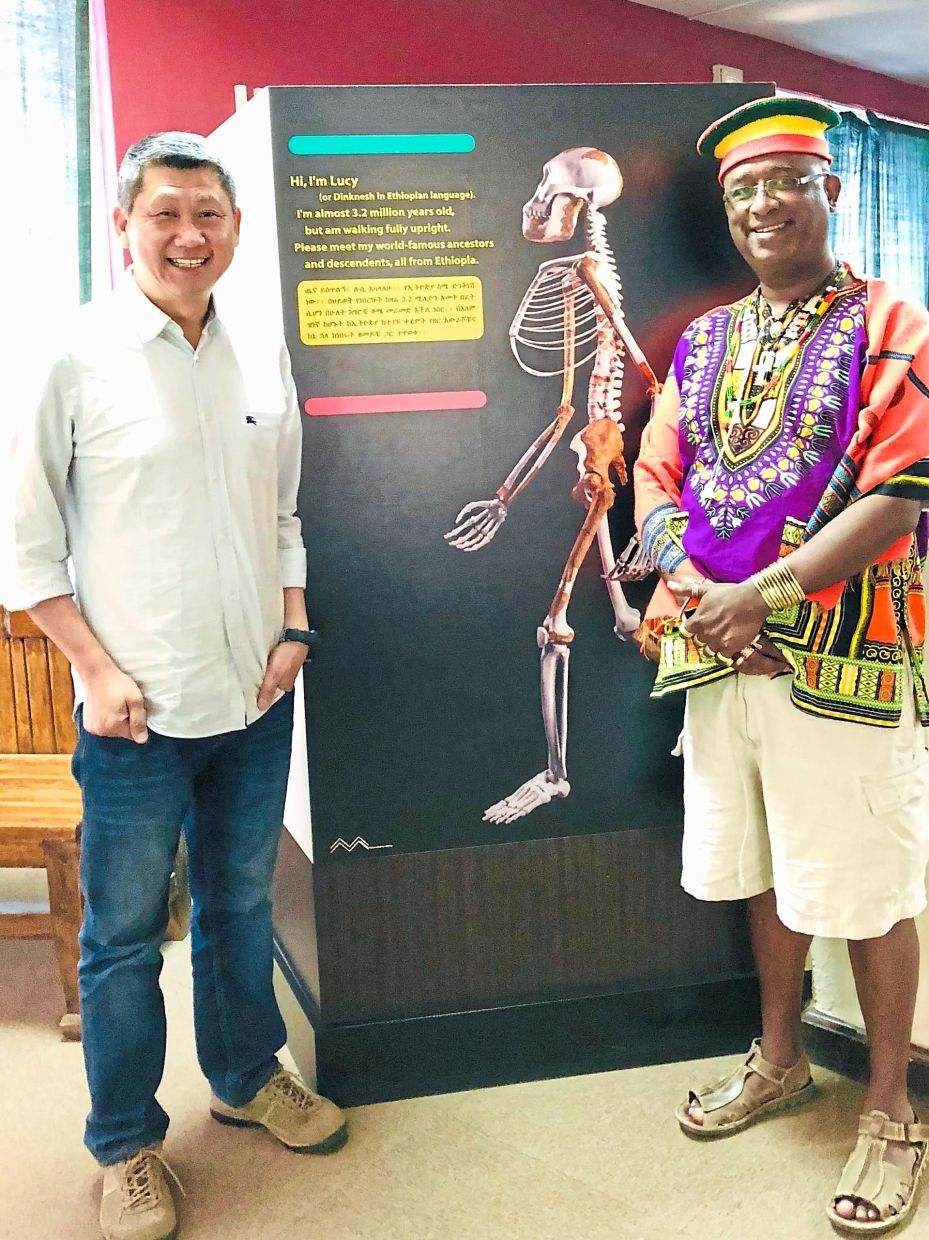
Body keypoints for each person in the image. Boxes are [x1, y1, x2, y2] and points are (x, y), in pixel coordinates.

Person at [5, 132, 347, 1240]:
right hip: (133, 710)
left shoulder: (260, 357)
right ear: (123, 226)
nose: (188, 235)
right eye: (164, 213)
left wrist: (293, 625)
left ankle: (247, 1076)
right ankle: (126, 1145)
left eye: (208, 214)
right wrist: (94, 670)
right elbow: (24, 548)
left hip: (253, 694)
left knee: (242, 906)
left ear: (236, 229)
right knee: (121, 939)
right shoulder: (72, 356)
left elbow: (285, 515)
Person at [633, 96, 929, 1235]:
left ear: (829, 193)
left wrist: (759, 595)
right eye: (740, 190)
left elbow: (898, 497)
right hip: (717, 660)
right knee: (766, 865)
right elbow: (654, 477)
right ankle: (778, 1059)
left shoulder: (892, 321)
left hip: (845, 659)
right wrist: (701, 598)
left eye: (782, 182)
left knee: (861, 881)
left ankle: (893, 1110)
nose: (760, 205)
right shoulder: (703, 341)